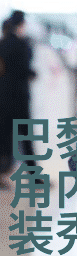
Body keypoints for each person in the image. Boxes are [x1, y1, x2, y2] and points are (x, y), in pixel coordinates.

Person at [0, 10, 37, 184]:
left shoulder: (2, 44)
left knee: (5, 137)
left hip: (3, 96)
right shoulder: (23, 44)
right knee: (26, 137)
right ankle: (34, 175)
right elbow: (24, 70)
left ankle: (3, 172)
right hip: (20, 97)